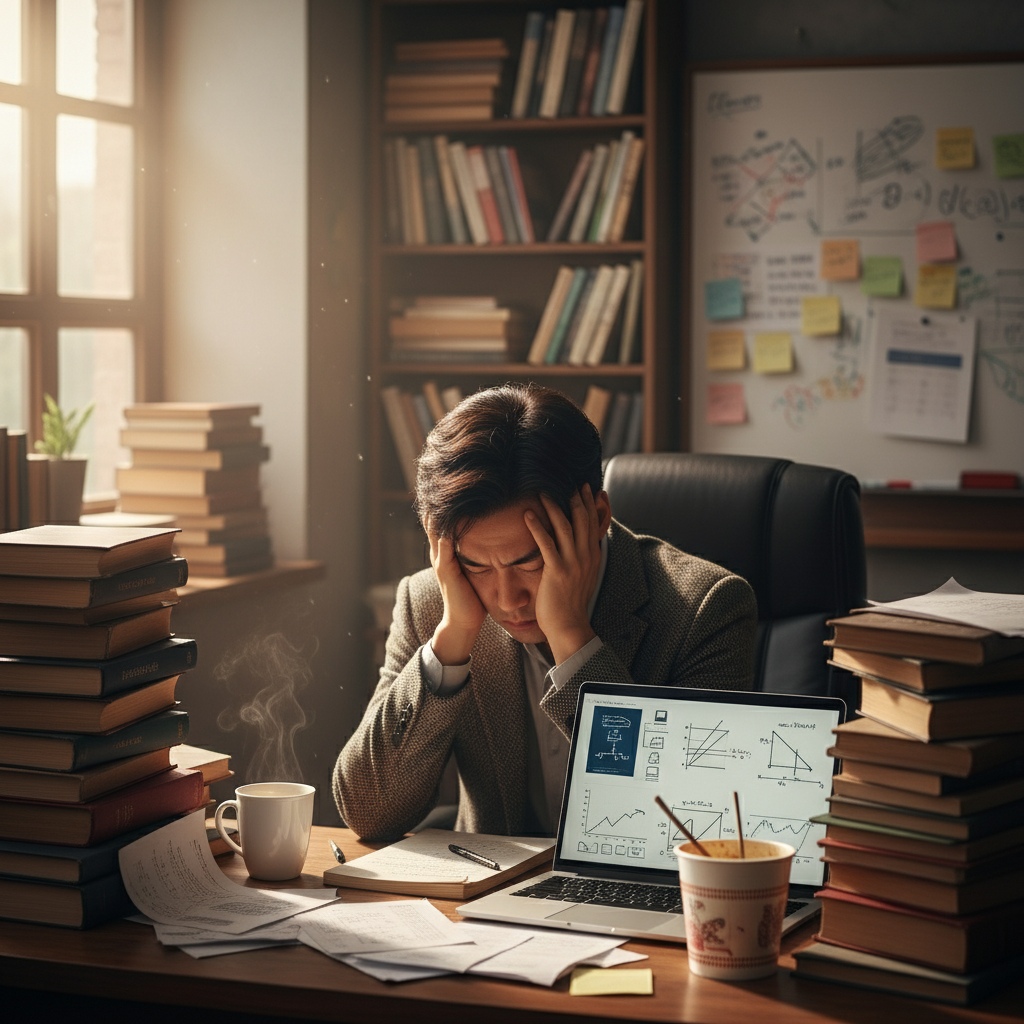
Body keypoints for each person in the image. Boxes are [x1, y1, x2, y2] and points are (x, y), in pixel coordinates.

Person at [334, 384, 757, 840]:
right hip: (485, 897)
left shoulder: (707, 609)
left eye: (529, 561)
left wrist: (573, 640)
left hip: (639, 897)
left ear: (596, 517)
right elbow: (367, 812)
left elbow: (690, 824)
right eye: (477, 565)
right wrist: (453, 638)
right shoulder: (432, 604)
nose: (508, 598)